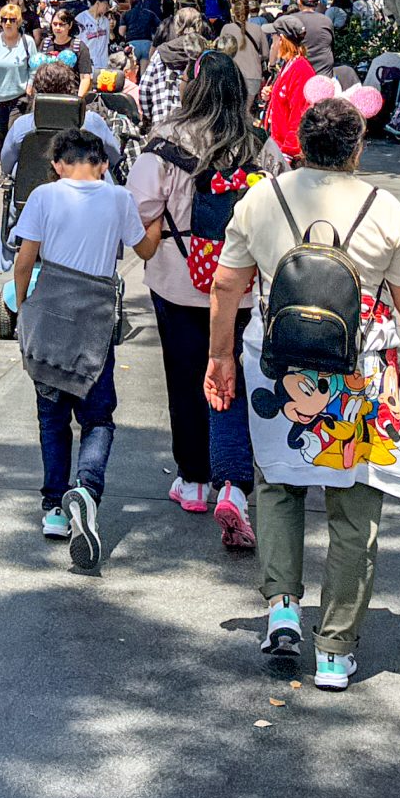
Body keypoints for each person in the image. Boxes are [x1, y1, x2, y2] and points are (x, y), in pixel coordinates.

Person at [205, 96, 400, 691]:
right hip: (359, 375)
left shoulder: (262, 199)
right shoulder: (385, 209)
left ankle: (282, 608)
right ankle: (334, 650)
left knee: (278, 484)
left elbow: (227, 285)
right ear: (357, 148)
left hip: (277, 367)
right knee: (355, 507)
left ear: (301, 144)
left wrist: (220, 356)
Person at [10, 129, 161, 572]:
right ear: (103, 163)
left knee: (52, 418)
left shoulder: (43, 196)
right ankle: (87, 487)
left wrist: (22, 307)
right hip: (94, 321)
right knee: (97, 418)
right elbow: (145, 248)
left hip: (50, 315)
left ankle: (55, 508)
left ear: (57, 164)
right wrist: (157, 219)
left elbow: (24, 260)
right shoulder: (118, 198)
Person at [128, 51, 258, 550]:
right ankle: (234, 479)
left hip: (177, 282)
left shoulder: (165, 143)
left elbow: (139, 208)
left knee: (184, 377)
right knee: (232, 377)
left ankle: (194, 479)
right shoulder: (258, 145)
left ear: (191, 88)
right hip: (241, 288)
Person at [0, 59, 121, 175]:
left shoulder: (22, 125)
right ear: (72, 89)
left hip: (32, 186)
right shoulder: (92, 121)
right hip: (84, 186)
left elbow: (6, 166)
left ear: (36, 91)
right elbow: (115, 158)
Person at [0, 2, 41, 151]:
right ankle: (5, 164)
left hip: (19, 96)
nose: (7, 23)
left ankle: (17, 163)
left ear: (18, 22)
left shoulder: (27, 42)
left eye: (12, 20)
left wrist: (30, 85)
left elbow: (34, 67)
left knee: (14, 132)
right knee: (2, 134)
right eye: (4, 19)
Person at [260, 20, 317, 166]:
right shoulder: (289, 64)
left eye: (273, 38)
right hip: (278, 144)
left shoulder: (301, 70)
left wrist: (288, 152)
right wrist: (271, 94)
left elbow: (299, 114)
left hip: (289, 152)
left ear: (281, 39)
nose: (271, 43)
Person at [287, 0, 336, 74]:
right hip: (323, 71)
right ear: (317, 3)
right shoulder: (326, 21)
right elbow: (332, 47)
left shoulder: (291, 20)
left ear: (299, 2)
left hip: (298, 72)